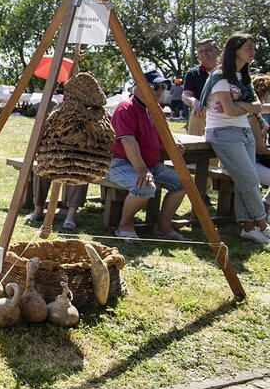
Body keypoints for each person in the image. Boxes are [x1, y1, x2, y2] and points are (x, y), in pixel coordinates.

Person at [198, 33, 270, 245]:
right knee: (250, 179)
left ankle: (248, 229)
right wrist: (244, 107)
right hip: (224, 133)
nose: (253, 52)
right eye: (248, 48)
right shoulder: (221, 77)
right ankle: (263, 225)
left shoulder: (243, 77)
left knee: (243, 180)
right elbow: (229, 111)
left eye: (253, 48)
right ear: (235, 50)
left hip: (244, 132)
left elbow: (257, 107)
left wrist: (240, 105)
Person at [105, 69, 187, 240]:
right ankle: (124, 227)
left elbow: (164, 133)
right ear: (140, 86)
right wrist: (142, 170)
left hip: (150, 165)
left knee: (183, 183)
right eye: (156, 86)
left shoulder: (156, 108)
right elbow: (128, 142)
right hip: (120, 163)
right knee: (145, 187)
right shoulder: (126, 107)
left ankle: (163, 227)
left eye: (163, 87)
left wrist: (174, 143)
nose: (160, 91)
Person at [182, 39, 219, 136]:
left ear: (217, 50)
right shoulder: (193, 73)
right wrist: (194, 102)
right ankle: (194, 142)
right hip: (202, 112)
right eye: (201, 51)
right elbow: (185, 95)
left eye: (208, 50)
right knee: (197, 112)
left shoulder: (227, 70)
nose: (204, 53)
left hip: (224, 110)